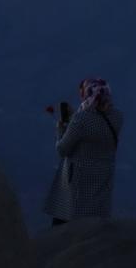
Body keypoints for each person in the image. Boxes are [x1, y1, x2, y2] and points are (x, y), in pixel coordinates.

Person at [42, 78, 124, 225]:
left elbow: (62, 149)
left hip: (76, 189)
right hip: (102, 184)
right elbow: (96, 132)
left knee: (64, 232)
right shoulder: (117, 117)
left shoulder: (81, 120)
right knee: (96, 229)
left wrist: (61, 128)